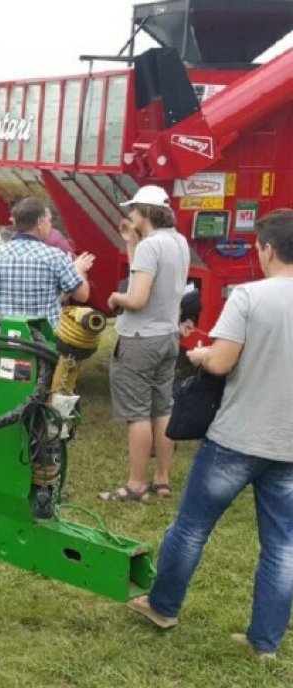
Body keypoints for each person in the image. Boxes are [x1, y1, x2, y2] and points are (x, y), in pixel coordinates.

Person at [127, 208, 293, 660]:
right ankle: (265, 642)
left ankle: (163, 607)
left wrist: (199, 355)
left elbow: (221, 362)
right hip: (289, 447)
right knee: (283, 546)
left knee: (191, 529)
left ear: (268, 249)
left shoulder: (249, 297)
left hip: (237, 438)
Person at [99, 185, 191, 503]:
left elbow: (137, 297)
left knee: (137, 413)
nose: (130, 215)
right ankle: (162, 480)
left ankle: (136, 485)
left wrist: (114, 297)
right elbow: (148, 273)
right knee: (162, 408)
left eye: (134, 210)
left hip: (140, 340)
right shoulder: (177, 241)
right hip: (168, 336)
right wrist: (131, 242)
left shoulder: (152, 246)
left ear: (147, 212)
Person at [0, 197, 94, 328]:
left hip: (7, 336)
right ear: (39, 222)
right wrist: (79, 270)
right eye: (49, 221)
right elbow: (82, 296)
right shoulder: (54, 256)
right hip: (45, 341)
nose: (50, 226)